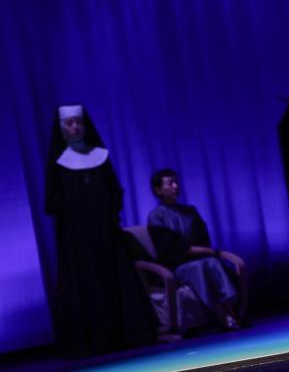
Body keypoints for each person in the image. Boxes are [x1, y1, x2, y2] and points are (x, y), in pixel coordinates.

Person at [44, 104, 156, 358]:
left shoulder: (100, 156)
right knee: (85, 284)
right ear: (62, 128)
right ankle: (95, 340)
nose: (75, 127)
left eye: (78, 122)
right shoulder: (58, 163)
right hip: (77, 240)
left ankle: (126, 334)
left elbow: (115, 191)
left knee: (116, 279)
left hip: (107, 234)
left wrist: (105, 211)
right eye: (69, 123)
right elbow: (52, 201)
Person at [147, 168, 249, 329]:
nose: (176, 186)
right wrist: (204, 251)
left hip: (200, 258)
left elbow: (202, 239)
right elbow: (172, 249)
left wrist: (204, 251)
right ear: (158, 190)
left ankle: (230, 310)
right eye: (170, 183)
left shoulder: (190, 211)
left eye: (176, 182)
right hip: (177, 264)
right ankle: (223, 314)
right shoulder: (156, 217)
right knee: (201, 266)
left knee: (211, 263)